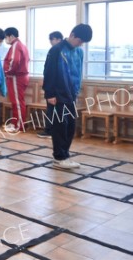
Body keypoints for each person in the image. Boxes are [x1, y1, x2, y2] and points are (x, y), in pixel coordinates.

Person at [43, 24, 92, 170]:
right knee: (59, 126)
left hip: (71, 94)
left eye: (83, 42)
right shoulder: (56, 50)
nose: (80, 44)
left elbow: (78, 73)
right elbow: (48, 72)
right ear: (71, 35)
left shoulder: (79, 52)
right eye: (79, 40)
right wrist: (49, 93)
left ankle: (65, 155)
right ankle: (59, 157)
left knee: (70, 126)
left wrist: (76, 91)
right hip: (57, 95)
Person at [37, 31, 64, 139]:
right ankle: (52, 130)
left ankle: (50, 131)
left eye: (51, 39)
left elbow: (51, 71)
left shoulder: (57, 50)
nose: (50, 42)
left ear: (58, 39)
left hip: (55, 87)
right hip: (56, 86)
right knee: (53, 110)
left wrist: (50, 91)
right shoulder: (58, 50)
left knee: (52, 110)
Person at [3, 27, 30, 134]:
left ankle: (19, 125)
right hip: (19, 77)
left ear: (11, 36)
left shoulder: (16, 45)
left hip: (16, 77)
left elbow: (14, 61)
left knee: (18, 102)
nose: (5, 39)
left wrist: (6, 72)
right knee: (16, 102)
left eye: (6, 37)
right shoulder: (21, 45)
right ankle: (15, 122)